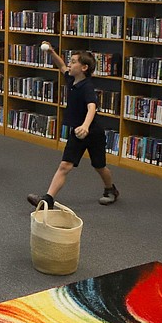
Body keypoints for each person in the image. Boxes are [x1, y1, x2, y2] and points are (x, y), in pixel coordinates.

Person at [27, 45, 119, 209]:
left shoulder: (87, 87)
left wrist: (85, 126)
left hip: (93, 133)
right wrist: (52, 52)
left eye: (74, 62)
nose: (69, 64)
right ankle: (48, 200)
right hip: (77, 132)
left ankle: (110, 189)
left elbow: (92, 107)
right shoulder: (71, 79)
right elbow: (61, 65)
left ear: (84, 68)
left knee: (99, 166)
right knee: (65, 165)